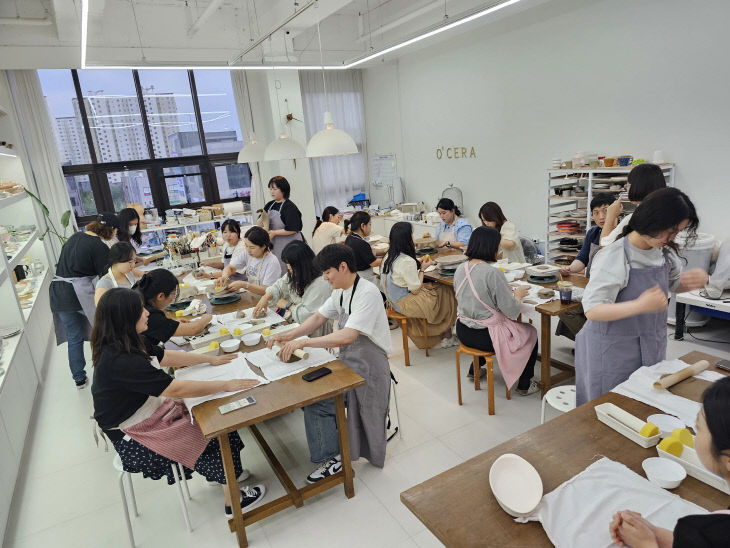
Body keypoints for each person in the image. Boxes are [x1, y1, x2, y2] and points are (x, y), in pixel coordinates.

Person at [91, 288, 265, 517]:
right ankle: (233, 501)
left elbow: (164, 357)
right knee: (211, 430)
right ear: (126, 318)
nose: (147, 314)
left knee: (214, 416)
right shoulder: (119, 360)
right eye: (140, 310)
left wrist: (209, 360)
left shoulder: (127, 341)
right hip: (133, 437)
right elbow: (176, 388)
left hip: (146, 415)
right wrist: (226, 384)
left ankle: (227, 475)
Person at [268, 244, 391, 480]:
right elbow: (317, 317)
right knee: (309, 390)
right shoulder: (340, 291)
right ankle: (334, 443)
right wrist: (289, 335)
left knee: (318, 401)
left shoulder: (367, 292)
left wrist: (304, 343)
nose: (325, 278)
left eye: (327, 272)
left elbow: (348, 336)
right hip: (349, 360)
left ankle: (334, 459)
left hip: (370, 368)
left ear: (343, 267)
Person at [575, 188, 709, 405]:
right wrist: (638, 305)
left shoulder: (664, 251)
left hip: (650, 345)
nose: (672, 238)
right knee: (610, 408)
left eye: (677, 233)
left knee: (642, 405)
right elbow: (592, 310)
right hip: (611, 351)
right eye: (670, 231)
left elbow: (672, 283)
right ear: (650, 221)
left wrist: (689, 282)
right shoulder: (615, 255)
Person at [609, 376, 730, 547]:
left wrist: (646, 544)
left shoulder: (702, 529)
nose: (694, 432)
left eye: (699, 427)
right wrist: (653, 533)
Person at [453, 227, 539, 394]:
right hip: (486, 336)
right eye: (498, 246)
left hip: (463, 330)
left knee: (488, 320)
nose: (499, 250)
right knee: (531, 333)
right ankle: (525, 384)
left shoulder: (460, 268)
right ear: (489, 247)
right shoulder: (492, 273)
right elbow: (512, 310)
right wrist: (519, 295)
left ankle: (475, 369)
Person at [50, 212, 117, 388]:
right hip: (77, 294)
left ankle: (79, 378)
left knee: (74, 337)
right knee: (102, 333)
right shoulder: (99, 246)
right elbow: (106, 276)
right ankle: (109, 373)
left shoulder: (75, 237)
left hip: (58, 292)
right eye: (115, 230)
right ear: (110, 230)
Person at [380, 222, 458, 349]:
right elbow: (415, 290)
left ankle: (446, 333)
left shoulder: (389, 255)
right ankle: (448, 335)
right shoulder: (406, 261)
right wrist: (422, 269)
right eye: (412, 234)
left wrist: (417, 264)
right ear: (407, 238)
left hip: (393, 301)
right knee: (447, 291)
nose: (413, 236)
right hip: (405, 303)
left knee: (439, 288)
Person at [555, 193, 616, 340]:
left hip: (611, 291)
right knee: (563, 306)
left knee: (568, 309)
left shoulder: (623, 233)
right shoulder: (593, 232)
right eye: (596, 213)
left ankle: (592, 342)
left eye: (606, 211)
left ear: (615, 211)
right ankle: (588, 342)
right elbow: (582, 259)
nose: (601, 216)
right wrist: (570, 268)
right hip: (591, 285)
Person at [252, 241, 333, 337]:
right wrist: (266, 297)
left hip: (316, 331)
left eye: (291, 269)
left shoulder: (321, 284)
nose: (290, 272)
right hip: (299, 324)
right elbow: (279, 286)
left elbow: (307, 316)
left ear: (302, 266)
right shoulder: (295, 273)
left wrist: (288, 305)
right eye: (289, 269)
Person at [134, 269, 212, 346]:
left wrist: (171, 325)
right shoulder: (148, 314)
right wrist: (206, 318)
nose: (173, 298)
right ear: (160, 296)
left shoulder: (136, 295)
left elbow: (155, 327)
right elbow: (194, 329)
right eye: (173, 294)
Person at [600, 163, 667, 247]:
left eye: (627, 185)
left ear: (635, 186)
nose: (626, 189)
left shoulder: (635, 219)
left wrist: (610, 216)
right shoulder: (668, 214)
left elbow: (604, 247)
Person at [224, 226, 282, 296]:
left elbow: (266, 290)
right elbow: (230, 267)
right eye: (246, 245)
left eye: (252, 247)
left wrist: (244, 285)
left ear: (263, 246)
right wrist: (224, 277)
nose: (248, 250)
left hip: (269, 302)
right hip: (253, 297)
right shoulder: (247, 253)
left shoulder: (272, 262)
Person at [264, 176, 304, 270]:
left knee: (292, 269)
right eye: (270, 189)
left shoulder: (289, 207)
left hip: (290, 244)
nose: (272, 192)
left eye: (275, 189)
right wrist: (262, 217)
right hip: (276, 245)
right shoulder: (270, 205)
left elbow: (293, 229)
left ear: (283, 189)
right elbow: (261, 223)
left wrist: (274, 233)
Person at [344, 211, 383, 283]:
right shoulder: (360, 243)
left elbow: (365, 253)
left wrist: (384, 252)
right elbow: (373, 263)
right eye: (369, 224)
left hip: (355, 275)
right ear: (362, 226)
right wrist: (389, 259)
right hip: (364, 277)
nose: (370, 228)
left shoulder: (350, 237)